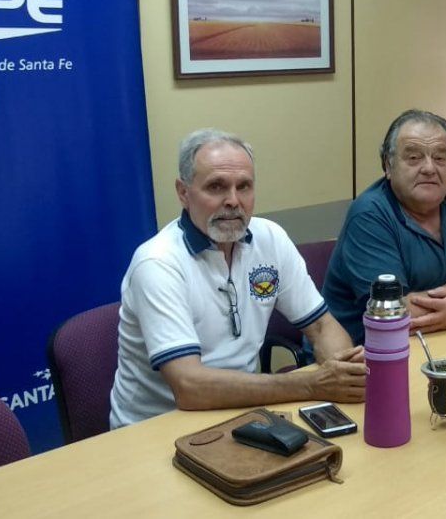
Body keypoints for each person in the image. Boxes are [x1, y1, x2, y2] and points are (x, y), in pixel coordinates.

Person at [110, 129, 364, 428]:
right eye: (216, 187)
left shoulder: (270, 238)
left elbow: (322, 327)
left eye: (244, 186)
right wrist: (311, 385)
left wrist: (342, 373)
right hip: (156, 428)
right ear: (183, 192)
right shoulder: (158, 263)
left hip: (242, 411)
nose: (233, 200)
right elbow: (190, 386)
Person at [321, 109, 446, 344]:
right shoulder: (369, 214)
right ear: (388, 165)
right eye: (414, 158)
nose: (429, 168)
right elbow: (392, 313)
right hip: (367, 357)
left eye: (439, 158)